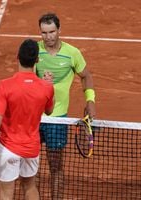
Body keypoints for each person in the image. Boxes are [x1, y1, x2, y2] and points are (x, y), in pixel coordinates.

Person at [0, 39, 54, 200]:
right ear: (37, 59)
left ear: (17, 57)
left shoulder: (5, 86)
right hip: (31, 149)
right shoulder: (46, 87)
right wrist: (49, 87)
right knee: (30, 187)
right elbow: (49, 111)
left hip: (8, 149)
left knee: (6, 193)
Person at [35, 13, 96, 199]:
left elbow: (86, 76)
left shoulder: (72, 53)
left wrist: (90, 100)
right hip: (34, 116)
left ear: (59, 30)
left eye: (52, 31)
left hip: (57, 118)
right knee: (31, 166)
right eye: (44, 33)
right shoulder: (35, 51)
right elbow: (25, 77)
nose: (48, 37)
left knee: (55, 166)